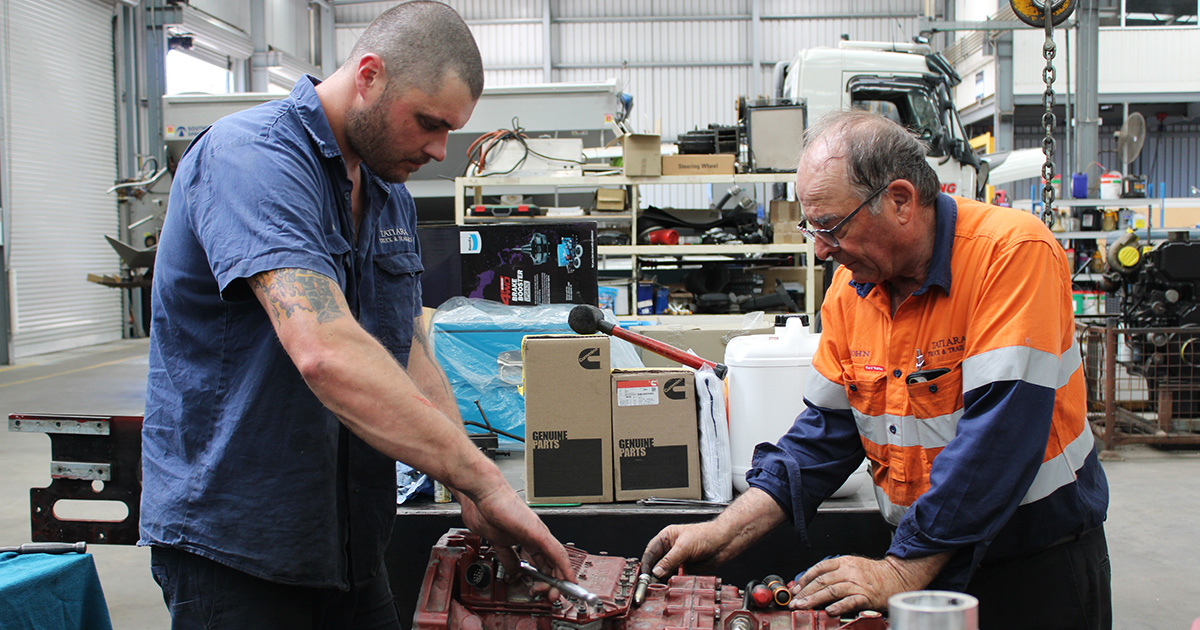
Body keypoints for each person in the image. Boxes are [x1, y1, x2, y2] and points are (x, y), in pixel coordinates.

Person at [139, 3, 572, 628]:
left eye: (450, 129)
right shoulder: (252, 160)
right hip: (237, 550)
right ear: (368, 75)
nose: (439, 149)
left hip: (350, 544)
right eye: (427, 121)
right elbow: (326, 350)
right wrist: (487, 480)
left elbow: (406, 348)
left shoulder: (387, 189)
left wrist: (468, 490)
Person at [641, 111, 1111, 630]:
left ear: (902, 201)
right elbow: (822, 437)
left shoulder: (1012, 255)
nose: (820, 249)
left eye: (831, 226)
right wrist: (723, 531)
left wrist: (902, 570)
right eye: (810, 227)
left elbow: (999, 440)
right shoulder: (851, 290)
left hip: (1033, 570)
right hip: (925, 561)